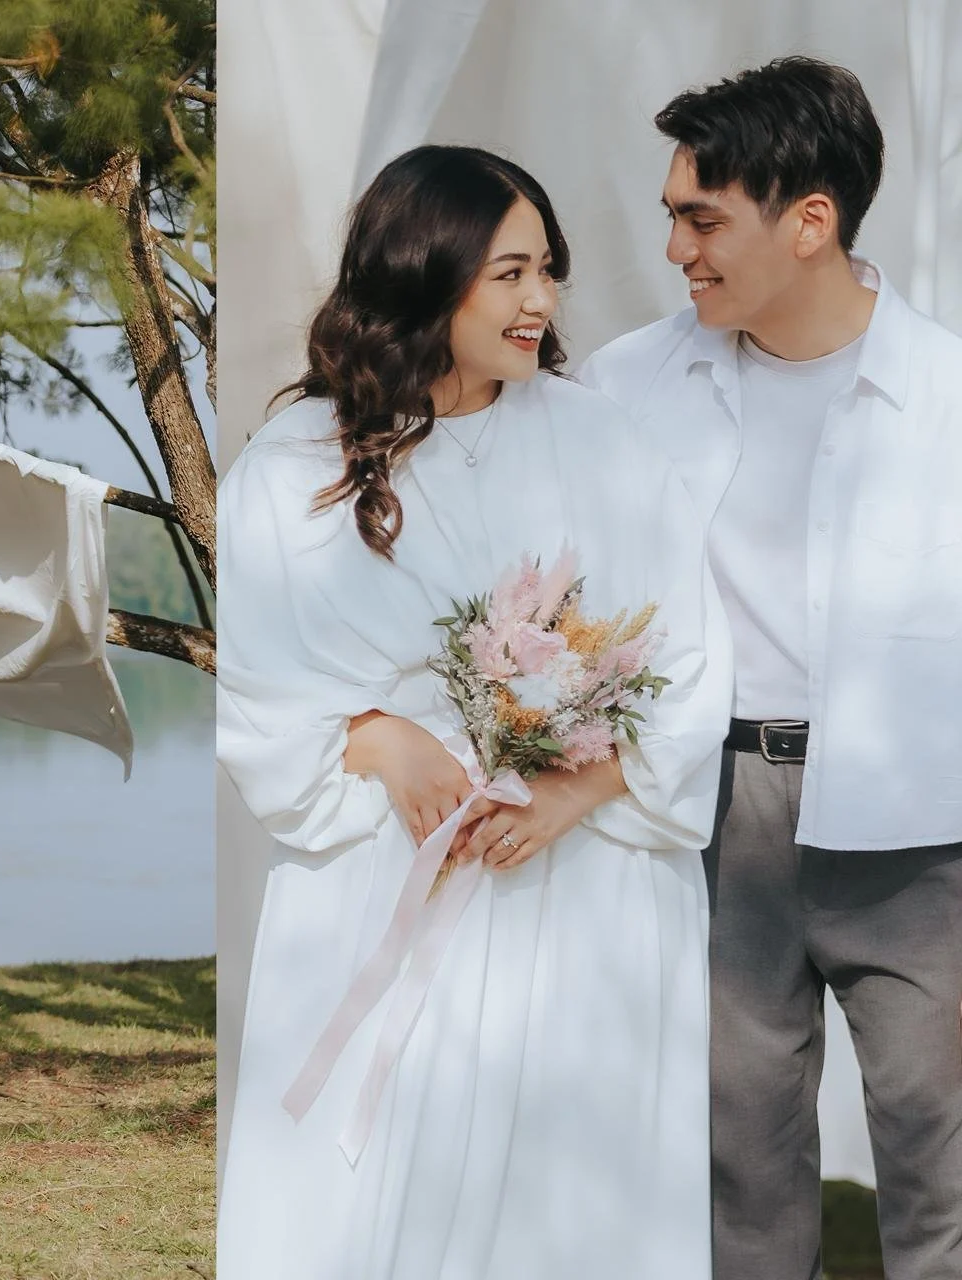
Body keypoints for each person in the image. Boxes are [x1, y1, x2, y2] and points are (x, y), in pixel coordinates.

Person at [215, 145, 733, 1278]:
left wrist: (577, 787)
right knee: (368, 1197)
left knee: (566, 1196)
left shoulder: (601, 442)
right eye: (507, 273)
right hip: (387, 876)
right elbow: (259, 686)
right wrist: (371, 735)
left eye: (546, 269)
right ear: (423, 272)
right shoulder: (289, 468)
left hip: (581, 880)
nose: (541, 301)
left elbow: (692, 656)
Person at [582, 56, 962, 1279]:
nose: (679, 250)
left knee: (938, 1160)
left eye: (703, 219)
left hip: (923, 825)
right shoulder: (625, 386)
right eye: (672, 219)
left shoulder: (950, 398)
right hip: (716, 809)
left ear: (811, 221)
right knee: (737, 1160)